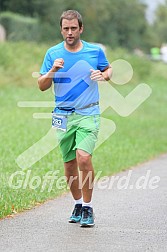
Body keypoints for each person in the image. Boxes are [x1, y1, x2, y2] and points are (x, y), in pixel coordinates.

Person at [38, 10, 112, 227]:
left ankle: (88, 208)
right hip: (62, 115)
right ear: (61, 30)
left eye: (73, 28)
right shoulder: (52, 53)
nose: (69, 33)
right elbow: (41, 86)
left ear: (81, 29)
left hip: (88, 112)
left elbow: (108, 68)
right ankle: (78, 204)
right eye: (65, 29)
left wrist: (104, 75)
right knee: (69, 163)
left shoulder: (94, 51)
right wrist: (52, 70)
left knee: (83, 158)